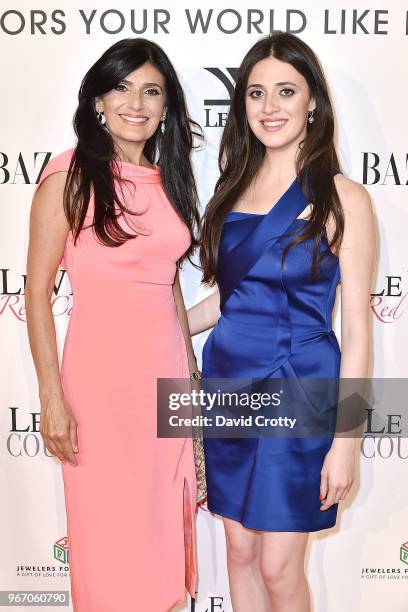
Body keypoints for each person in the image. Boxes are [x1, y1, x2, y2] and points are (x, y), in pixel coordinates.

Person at [188, 32, 375, 611]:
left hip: (301, 388)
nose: (270, 107)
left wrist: (347, 439)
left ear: (312, 101)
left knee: (278, 565)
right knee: (239, 551)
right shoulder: (230, 189)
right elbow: (226, 302)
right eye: (256, 94)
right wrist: (147, 321)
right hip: (227, 387)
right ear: (241, 105)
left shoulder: (343, 197)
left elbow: (360, 333)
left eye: (286, 91)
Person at [25, 37, 202, 612]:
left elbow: (169, 278)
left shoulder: (167, 179)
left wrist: (191, 374)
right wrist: (51, 396)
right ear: (98, 98)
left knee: (158, 552)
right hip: (99, 389)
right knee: (109, 549)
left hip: (166, 383)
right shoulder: (69, 174)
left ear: (167, 106)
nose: (137, 102)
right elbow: (35, 293)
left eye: (152, 90)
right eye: (122, 86)